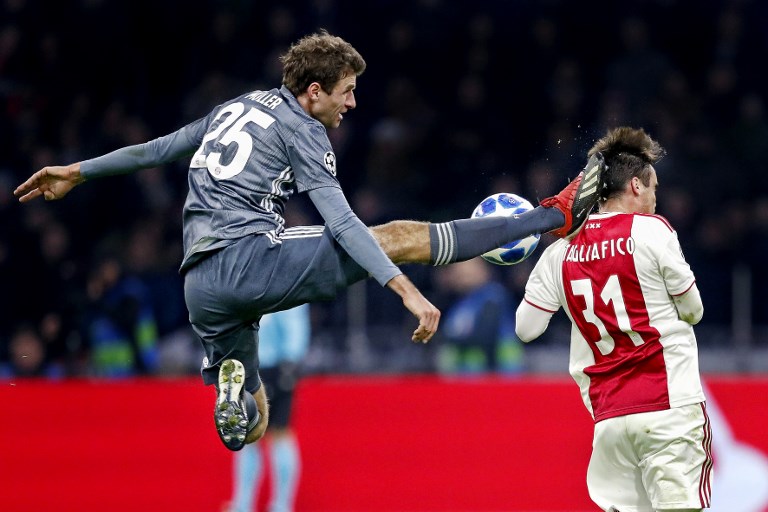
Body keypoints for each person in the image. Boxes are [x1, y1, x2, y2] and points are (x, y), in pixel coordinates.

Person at [14, 29, 606, 451]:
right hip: (250, 257)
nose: (352, 104)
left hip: (201, 286)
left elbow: (157, 150)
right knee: (394, 234)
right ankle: (551, 217)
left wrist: (78, 170)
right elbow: (345, 226)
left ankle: (232, 387)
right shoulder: (306, 132)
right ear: (314, 90)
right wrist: (406, 292)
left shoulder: (234, 107)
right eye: (346, 91)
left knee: (252, 424)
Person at [514, 126, 712, 512]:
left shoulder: (561, 251)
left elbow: (526, 329)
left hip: (609, 419)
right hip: (668, 406)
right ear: (635, 185)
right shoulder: (653, 231)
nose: (656, 198)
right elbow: (694, 311)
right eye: (653, 187)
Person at [224, 304, 310, 512]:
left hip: (268, 366)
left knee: (268, 435)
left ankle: (266, 505)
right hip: (259, 366)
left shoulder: (274, 280)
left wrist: (290, 362)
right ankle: (259, 505)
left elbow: (293, 322)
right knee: (256, 435)